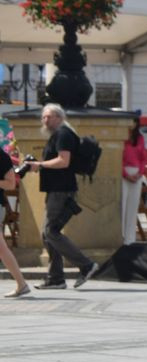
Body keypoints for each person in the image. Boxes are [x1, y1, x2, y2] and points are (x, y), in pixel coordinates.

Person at [27, 104, 99, 290]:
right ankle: (56, 278)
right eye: (43, 117)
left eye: (49, 116)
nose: (45, 120)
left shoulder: (64, 134)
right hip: (56, 189)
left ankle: (86, 265)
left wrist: (41, 164)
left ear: (59, 117)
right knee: (47, 233)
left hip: (61, 189)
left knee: (51, 232)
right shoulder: (59, 134)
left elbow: (63, 161)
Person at [0, 149, 30, 297]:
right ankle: (21, 284)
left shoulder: (1, 156)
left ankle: (21, 284)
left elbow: (10, 184)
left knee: (1, 248)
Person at [121, 117, 147, 245]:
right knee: (122, 207)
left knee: (132, 207)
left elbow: (143, 158)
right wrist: (125, 174)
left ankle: (130, 239)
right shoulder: (121, 137)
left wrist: (140, 173)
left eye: (134, 121)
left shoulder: (140, 138)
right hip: (123, 174)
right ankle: (120, 237)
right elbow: (117, 157)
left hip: (136, 174)